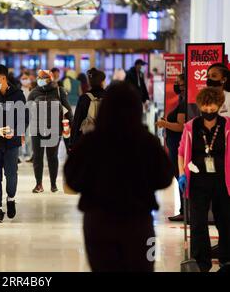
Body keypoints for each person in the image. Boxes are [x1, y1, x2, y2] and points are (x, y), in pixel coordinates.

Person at [64, 82, 174, 272]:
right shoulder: (147, 142)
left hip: (98, 222)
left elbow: (72, 182)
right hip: (139, 222)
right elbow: (164, 178)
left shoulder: (90, 142)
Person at [178, 87, 230, 272]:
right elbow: (181, 152)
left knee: (225, 220)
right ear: (200, 106)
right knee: (198, 222)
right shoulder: (191, 126)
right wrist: (182, 174)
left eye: (212, 110)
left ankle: (226, 258)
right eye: (205, 109)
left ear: (219, 106)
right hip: (198, 180)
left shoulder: (228, 126)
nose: (208, 113)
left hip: (223, 181)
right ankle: (201, 262)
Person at [0, 65, 28, 223]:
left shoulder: (18, 95)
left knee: (11, 175)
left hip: (11, 142)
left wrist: (15, 131)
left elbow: (24, 117)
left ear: (3, 77)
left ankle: (11, 198)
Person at [28, 70, 73, 194]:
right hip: (36, 128)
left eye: (43, 77)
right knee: (37, 157)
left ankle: (53, 184)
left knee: (52, 157)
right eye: (39, 77)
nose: (40, 78)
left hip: (54, 129)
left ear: (50, 78)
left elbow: (68, 109)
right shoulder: (34, 92)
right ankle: (38, 184)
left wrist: (72, 125)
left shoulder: (59, 91)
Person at [156, 74, 187, 222]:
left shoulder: (184, 103)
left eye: (178, 82)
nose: (175, 85)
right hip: (174, 143)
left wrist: (165, 124)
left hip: (178, 144)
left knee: (179, 175)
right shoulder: (181, 101)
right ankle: (183, 209)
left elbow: (181, 127)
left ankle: (184, 210)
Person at [71, 68, 106, 146]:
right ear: (102, 82)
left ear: (89, 82)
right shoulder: (109, 96)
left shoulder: (84, 98)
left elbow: (77, 121)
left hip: (87, 139)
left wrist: (72, 143)